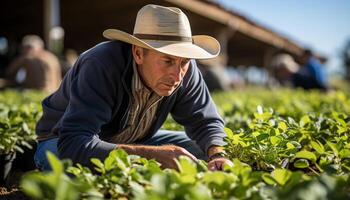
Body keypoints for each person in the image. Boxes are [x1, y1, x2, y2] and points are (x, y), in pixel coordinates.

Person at [34, 4, 233, 171]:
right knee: (70, 167)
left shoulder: (186, 70)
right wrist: (149, 155)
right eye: (167, 60)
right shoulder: (101, 64)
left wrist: (218, 154)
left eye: (184, 62)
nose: (177, 75)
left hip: (133, 140)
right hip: (61, 140)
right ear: (138, 53)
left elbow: (205, 122)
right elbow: (74, 143)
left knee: (199, 149)